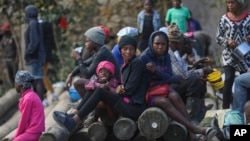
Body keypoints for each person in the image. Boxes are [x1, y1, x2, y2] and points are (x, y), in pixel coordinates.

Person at [53, 35, 148, 134]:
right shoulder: (126, 64)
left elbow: (128, 90)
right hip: (125, 101)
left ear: (135, 50)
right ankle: (74, 115)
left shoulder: (136, 63)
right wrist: (111, 86)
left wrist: (113, 89)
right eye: (125, 49)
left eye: (131, 49)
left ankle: (74, 121)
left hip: (133, 107)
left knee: (100, 91)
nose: (128, 52)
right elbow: (121, 86)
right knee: (96, 85)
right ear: (120, 50)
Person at [140, 30, 217, 141]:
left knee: (174, 95)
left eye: (163, 44)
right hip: (148, 92)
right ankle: (194, 128)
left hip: (162, 88)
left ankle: (192, 131)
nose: (160, 47)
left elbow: (169, 75)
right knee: (169, 97)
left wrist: (164, 76)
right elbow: (154, 80)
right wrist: (165, 76)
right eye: (157, 44)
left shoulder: (165, 55)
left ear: (167, 44)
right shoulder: (145, 58)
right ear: (151, 43)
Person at [168, 24, 213, 124]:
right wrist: (202, 71)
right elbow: (183, 75)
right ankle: (191, 117)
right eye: (181, 42)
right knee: (195, 81)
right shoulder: (170, 53)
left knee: (198, 78)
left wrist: (196, 66)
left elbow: (183, 72)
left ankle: (199, 112)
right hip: (168, 85)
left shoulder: (174, 53)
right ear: (177, 43)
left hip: (172, 82)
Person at [55, 60, 119, 127]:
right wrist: (99, 85)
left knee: (97, 91)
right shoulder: (96, 80)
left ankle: (78, 119)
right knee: (91, 90)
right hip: (99, 108)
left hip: (110, 113)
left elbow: (115, 94)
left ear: (110, 74)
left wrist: (108, 87)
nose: (103, 73)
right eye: (101, 71)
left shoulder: (113, 82)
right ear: (98, 73)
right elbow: (88, 86)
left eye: (106, 72)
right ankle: (75, 114)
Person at [65, 26, 120, 97]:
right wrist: (71, 74)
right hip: (105, 84)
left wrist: (78, 58)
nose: (85, 44)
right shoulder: (100, 51)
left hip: (112, 87)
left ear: (95, 41)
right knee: (91, 83)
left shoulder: (102, 53)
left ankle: (88, 107)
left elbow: (87, 74)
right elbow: (84, 63)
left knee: (78, 83)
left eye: (87, 41)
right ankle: (83, 106)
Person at [215, 0, 250, 109]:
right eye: (228, 3)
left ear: (239, 3)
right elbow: (218, 37)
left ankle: (247, 108)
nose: (230, 5)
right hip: (229, 56)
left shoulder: (248, 18)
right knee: (228, 79)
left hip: (245, 55)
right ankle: (225, 109)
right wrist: (227, 41)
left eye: (233, 3)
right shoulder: (224, 19)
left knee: (245, 81)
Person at [24, 5, 47, 106]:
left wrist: (28, 51)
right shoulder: (34, 22)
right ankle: (39, 102)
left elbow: (34, 41)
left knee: (37, 79)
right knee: (37, 79)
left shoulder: (33, 23)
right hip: (37, 55)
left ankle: (38, 103)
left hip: (35, 56)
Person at [13, 70, 45, 141]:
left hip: (33, 132)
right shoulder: (30, 95)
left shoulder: (28, 98)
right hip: (33, 130)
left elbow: (24, 120)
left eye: (16, 83)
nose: (15, 85)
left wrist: (16, 136)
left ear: (20, 85)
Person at [39, 20, 59, 106]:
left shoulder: (38, 28)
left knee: (42, 76)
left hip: (41, 56)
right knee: (44, 76)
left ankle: (46, 97)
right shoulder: (47, 28)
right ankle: (51, 93)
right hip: (47, 55)